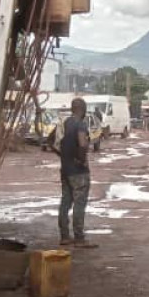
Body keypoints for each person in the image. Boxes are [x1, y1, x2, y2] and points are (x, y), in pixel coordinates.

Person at [55, 97, 97, 248]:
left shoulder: (64, 123)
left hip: (65, 170)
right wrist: (81, 159)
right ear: (83, 109)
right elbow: (83, 143)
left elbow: (50, 141)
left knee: (65, 201)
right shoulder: (81, 124)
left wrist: (63, 156)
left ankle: (65, 236)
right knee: (79, 203)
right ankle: (79, 238)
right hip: (78, 172)